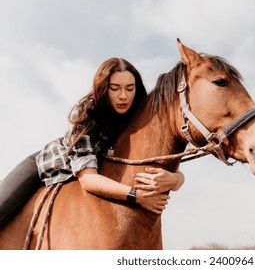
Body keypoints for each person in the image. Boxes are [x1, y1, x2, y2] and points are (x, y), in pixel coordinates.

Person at [0, 57, 185, 228]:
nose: (123, 96)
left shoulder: (139, 116)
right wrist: (135, 195)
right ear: (104, 87)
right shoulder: (85, 113)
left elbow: (154, 161)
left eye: (130, 88)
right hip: (50, 164)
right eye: (115, 88)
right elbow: (88, 178)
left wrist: (176, 179)